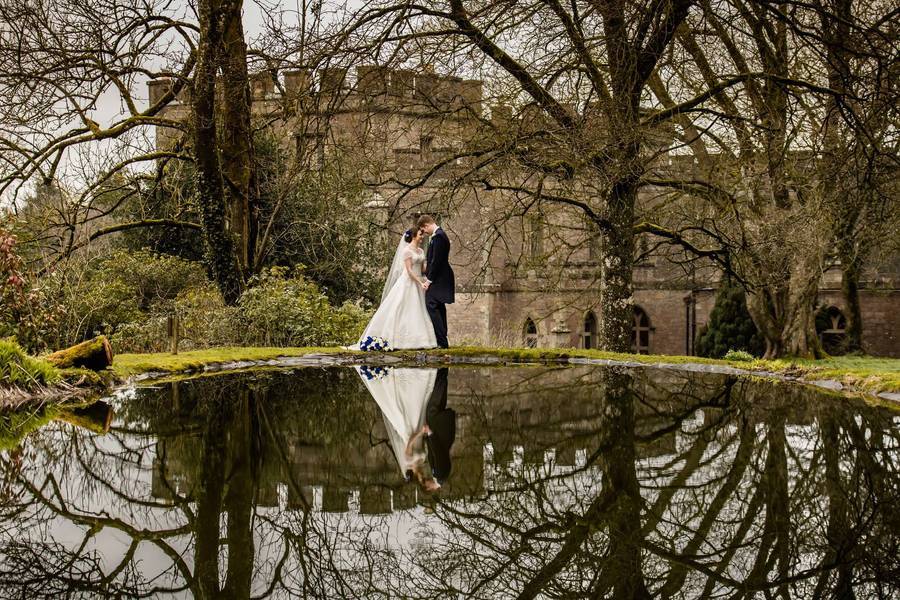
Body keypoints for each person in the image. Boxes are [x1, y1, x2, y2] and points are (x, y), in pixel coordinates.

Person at [357, 227, 437, 349]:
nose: (422, 237)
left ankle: (420, 340)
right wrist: (420, 283)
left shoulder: (421, 251)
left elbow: (422, 270)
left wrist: (430, 273)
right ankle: (399, 340)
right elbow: (409, 270)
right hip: (408, 282)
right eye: (421, 235)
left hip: (419, 281)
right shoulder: (407, 251)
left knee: (418, 309)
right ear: (414, 235)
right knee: (403, 308)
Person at [417, 214, 455, 348]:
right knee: (438, 306)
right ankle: (442, 340)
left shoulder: (438, 236)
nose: (424, 233)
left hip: (439, 278)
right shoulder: (438, 235)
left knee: (431, 305)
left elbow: (437, 261)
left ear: (426, 225)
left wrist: (429, 280)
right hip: (440, 278)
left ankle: (442, 341)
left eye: (424, 230)